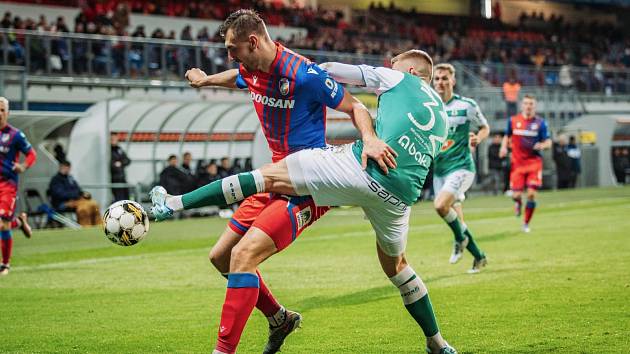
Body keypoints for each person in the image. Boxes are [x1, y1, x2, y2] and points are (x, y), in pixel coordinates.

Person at [153, 49, 457, 354]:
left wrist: (304, 74)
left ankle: (175, 202)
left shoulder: (395, 79)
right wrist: (207, 80)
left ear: (414, 73)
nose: (390, 69)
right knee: (397, 266)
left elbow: (327, 71)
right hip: (399, 198)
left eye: (397, 67)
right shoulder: (442, 115)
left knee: (257, 203)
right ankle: (437, 343)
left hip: (354, 169)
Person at [181, 9, 370, 354]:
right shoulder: (252, 70)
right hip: (274, 179)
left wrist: (369, 139)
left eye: (233, 48)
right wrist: (207, 80)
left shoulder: (304, 74)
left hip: (311, 183)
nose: (230, 56)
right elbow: (236, 77)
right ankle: (280, 319)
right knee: (221, 257)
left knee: (242, 256)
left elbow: (355, 106)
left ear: (253, 42)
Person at [431, 63, 489, 272]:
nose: (440, 82)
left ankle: (458, 239)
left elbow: (484, 127)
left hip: (462, 167)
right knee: (456, 218)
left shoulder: (466, 105)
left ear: (453, 81)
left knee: (440, 206)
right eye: (437, 78)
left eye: (445, 78)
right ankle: (479, 256)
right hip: (439, 171)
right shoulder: (430, 108)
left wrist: (477, 138)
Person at [500, 95, 552, 233]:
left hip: (534, 163)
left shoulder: (541, 123)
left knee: (531, 194)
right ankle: (518, 203)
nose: (528, 106)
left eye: (531, 104)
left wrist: (542, 145)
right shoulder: (513, 121)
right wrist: (503, 147)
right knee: (516, 195)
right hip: (517, 164)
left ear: (534, 106)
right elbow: (507, 136)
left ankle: (526, 223)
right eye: (526, 103)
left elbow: (548, 141)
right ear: (522, 105)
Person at [0, 97, 36, 276]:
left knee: (2, 224)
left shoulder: (15, 135)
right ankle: (19, 222)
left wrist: (23, 166)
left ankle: (5, 265)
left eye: (2, 110)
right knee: (4, 224)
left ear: (8, 113)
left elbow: (31, 154)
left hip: (7, 184)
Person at [48, 161, 101, 226]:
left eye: (68, 168)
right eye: (65, 167)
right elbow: (60, 194)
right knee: (84, 207)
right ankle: (85, 227)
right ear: (61, 167)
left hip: (76, 201)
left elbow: (78, 190)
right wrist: (76, 194)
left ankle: (98, 225)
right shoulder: (56, 180)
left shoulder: (70, 178)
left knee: (94, 204)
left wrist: (83, 194)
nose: (67, 169)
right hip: (63, 203)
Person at [110, 133, 130, 202]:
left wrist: (120, 163)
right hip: (114, 178)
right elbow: (111, 164)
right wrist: (116, 164)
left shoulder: (119, 149)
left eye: (116, 139)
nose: (114, 141)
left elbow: (128, 160)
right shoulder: (108, 150)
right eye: (112, 139)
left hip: (122, 177)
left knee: (126, 197)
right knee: (118, 199)